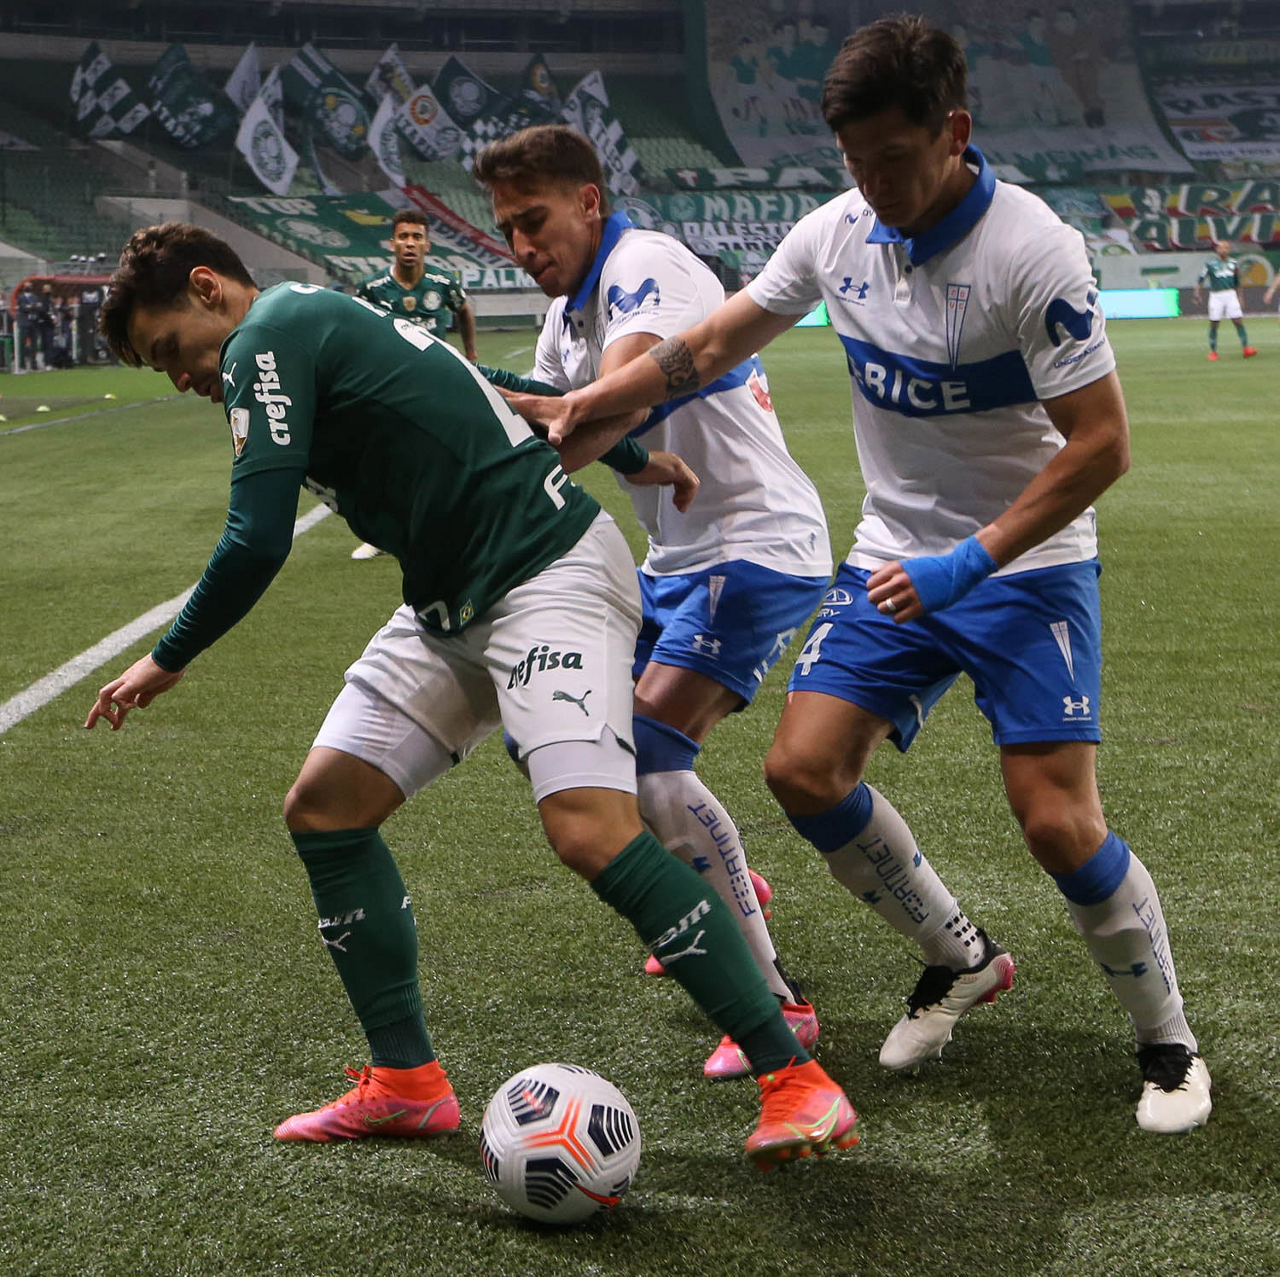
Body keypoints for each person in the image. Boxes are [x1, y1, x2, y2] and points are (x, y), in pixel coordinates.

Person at [505, 15, 1212, 1134]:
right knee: (803, 770)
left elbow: (1101, 445)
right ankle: (961, 957)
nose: (873, 185)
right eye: (853, 161)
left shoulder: (1033, 251)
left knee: (1054, 821)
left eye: (892, 157)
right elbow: (711, 344)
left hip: (1024, 561)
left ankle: (1167, 1042)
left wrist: (968, 561)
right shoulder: (835, 232)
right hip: (891, 558)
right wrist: (588, 406)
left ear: (954, 132)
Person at [84, 222, 857, 1169]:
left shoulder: (265, 334)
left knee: (590, 828)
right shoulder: (315, 320)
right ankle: (407, 1083)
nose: (179, 377)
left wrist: (167, 657)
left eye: (169, 348)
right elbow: (474, 387)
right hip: (451, 602)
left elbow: (256, 535)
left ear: (208, 288)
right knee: (327, 808)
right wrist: (634, 458)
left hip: (546, 573)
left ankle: (796, 1077)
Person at [472, 124, 832, 1080]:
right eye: (507, 230)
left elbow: (613, 407)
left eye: (535, 220)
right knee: (565, 735)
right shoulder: (563, 316)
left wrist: (512, 434)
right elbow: (560, 423)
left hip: (752, 545)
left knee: (650, 756)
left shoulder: (647, 265)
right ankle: (722, 877)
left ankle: (775, 1003)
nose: (522, 246)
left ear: (589, 201)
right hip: (677, 557)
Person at [350, 207, 480, 560]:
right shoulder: (372, 288)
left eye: (417, 237)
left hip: (437, 383)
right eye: (403, 236)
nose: (410, 243)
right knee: (385, 459)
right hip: (388, 387)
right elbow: (353, 328)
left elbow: (463, 310)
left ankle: (450, 526)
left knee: (441, 455)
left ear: (427, 245)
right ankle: (381, 535)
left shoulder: (443, 283)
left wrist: (471, 354)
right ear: (392, 243)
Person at [1193, 239, 1257, 361]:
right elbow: (1200, 280)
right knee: (1214, 323)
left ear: (1229, 250)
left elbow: (1237, 283)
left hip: (1230, 294)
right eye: (1221, 247)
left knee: (1238, 321)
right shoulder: (1210, 264)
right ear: (1217, 249)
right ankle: (1213, 351)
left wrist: (1240, 297)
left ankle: (1246, 348)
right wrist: (1197, 294)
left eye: (1226, 248)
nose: (1224, 250)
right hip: (1216, 296)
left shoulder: (1234, 263)